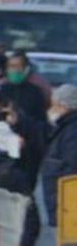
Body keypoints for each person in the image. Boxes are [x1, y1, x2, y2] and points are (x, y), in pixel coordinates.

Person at [41, 84, 77, 227]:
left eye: (54, 106)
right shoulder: (64, 127)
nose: (50, 110)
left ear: (64, 106)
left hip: (69, 208)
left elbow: (72, 169)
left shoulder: (72, 131)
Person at [0, 52, 51, 133]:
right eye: (11, 66)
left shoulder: (35, 91)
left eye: (18, 66)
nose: (15, 70)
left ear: (26, 69)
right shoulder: (2, 89)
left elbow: (41, 120)